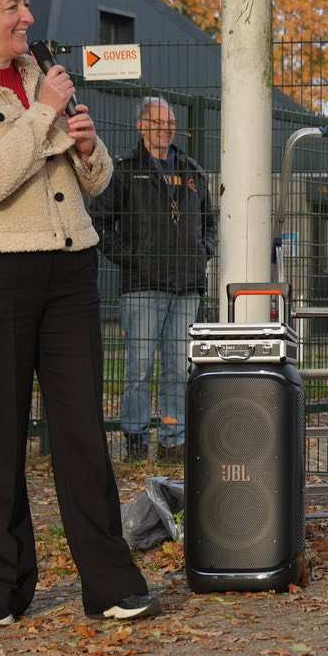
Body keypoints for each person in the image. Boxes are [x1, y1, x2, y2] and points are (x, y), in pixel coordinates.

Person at [0, 0, 158, 626]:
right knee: (0, 438)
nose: (27, 16)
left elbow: (98, 180)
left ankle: (111, 584)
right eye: (13, 5)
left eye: (25, 4)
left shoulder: (40, 73)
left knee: (82, 432)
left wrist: (86, 147)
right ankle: (2, 586)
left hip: (70, 268)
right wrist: (44, 116)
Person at [98, 98, 215, 464]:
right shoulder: (124, 171)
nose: (166, 128)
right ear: (141, 126)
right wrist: (135, 259)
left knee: (178, 368)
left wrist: (203, 250)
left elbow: (210, 223)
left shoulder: (192, 171)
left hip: (186, 285)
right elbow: (100, 225)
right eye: (158, 122)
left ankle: (172, 438)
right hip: (143, 286)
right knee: (139, 367)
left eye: (171, 122)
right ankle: (134, 438)